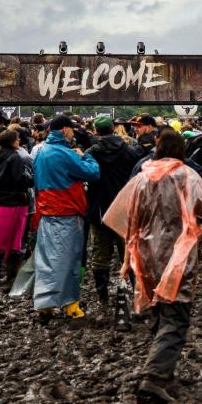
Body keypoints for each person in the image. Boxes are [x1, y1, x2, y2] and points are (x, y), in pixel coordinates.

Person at [102, 129, 202, 404]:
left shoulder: (142, 177)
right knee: (177, 316)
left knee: (158, 309)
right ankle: (154, 377)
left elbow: (127, 218)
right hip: (177, 256)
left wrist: (126, 258)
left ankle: (162, 369)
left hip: (145, 256)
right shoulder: (187, 176)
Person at [32, 116, 100, 322]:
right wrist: (86, 157)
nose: (73, 133)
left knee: (46, 259)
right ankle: (70, 303)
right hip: (68, 211)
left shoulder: (40, 151)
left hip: (46, 211)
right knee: (69, 259)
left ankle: (44, 303)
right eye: (71, 130)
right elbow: (92, 173)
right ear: (64, 130)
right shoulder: (65, 153)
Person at [82, 115, 146, 304]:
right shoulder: (130, 152)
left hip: (99, 211)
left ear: (96, 130)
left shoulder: (91, 153)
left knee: (100, 256)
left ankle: (102, 298)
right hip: (126, 211)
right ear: (113, 128)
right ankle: (136, 294)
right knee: (130, 253)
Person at [0, 130, 34, 286]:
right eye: (17, 139)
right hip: (14, 203)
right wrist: (32, 178)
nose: (19, 141)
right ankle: (11, 278)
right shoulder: (14, 157)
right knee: (14, 240)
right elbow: (20, 180)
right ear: (12, 141)